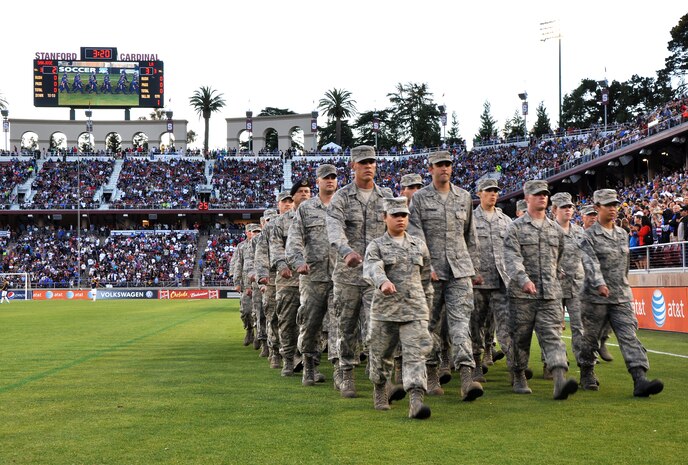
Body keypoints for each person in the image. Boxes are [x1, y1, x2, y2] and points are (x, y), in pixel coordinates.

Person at [407, 150, 483, 401]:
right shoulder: (419, 198)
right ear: (430, 169)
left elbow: (471, 236)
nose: (445, 169)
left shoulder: (463, 197)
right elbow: (416, 236)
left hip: (460, 271)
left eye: (448, 165)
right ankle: (430, 374)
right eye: (440, 165)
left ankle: (466, 377)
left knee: (461, 324)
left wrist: (475, 268)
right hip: (432, 272)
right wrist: (425, 267)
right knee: (430, 325)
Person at [578, 189, 664, 398]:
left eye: (615, 205)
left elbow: (625, 265)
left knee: (629, 336)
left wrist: (625, 285)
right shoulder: (588, 236)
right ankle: (587, 371)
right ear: (597, 208)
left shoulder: (622, 234)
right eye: (608, 205)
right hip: (595, 298)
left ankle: (639, 378)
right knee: (590, 339)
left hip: (621, 297)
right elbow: (589, 263)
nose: (613, 209)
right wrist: (600, 284)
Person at [326, 145, 394, 398]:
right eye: (363, 162)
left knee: (378, 327)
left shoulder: (386, 196)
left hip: (376, 276)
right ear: (352, 165)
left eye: (372, 162)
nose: (368, 166)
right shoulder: (342, 197)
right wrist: (346, 251)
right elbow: (333, 228)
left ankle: (381, 380)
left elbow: (396, 231)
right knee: (346, 327)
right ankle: (345, 372)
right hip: (348, 276)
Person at [503, 180, 578, 400]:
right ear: (527, 199)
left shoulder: (555, 229)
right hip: (522, 296)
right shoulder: (515, 228)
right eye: (537, 194)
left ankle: (559, 379)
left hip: (550, 294)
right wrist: (523, 279)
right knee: (520, 338)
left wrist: (555, 278)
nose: (542, 197)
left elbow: (559, 258)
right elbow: (511, 258)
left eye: (545, 194)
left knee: (553, 337)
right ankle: (519, 375)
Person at [364, 197, 433, 419]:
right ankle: (380, 390)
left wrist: (426, 304)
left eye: (403, 215)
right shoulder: (377, 245)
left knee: (416, 354)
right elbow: (372, 267)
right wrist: (382, 281)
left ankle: (415, 400)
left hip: (415, 309)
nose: (400, 219)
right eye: (395, 215)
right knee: (381, 354)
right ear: (385, 218)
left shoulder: (418, 245)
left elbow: (425, 278)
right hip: (386, 310)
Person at [286, 164, 339, 387]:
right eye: (326, 177)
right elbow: (294, 239)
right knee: (311, 322)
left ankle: (340, 370)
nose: (330, 181)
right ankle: (309, 365)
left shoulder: (342, 205)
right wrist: (298, 262)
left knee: (341, 323)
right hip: (313, 275)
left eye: (333, 177)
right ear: (318, 181)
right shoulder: (306, 209)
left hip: (340, 275)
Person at [471, 179, 513, 382]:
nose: (493, 194)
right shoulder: (469, 220)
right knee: (476, 325)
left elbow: (514, 250)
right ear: (479, 193)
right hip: (478, 282)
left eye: (495, 191)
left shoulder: (505, 220)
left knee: (506, 325)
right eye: (489, 191)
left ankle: (516, 369)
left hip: (501, 281)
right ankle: (477, 365)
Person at [269, 181, 311, 376]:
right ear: (293, 197)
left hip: (312, 278)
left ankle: (310, 364)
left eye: (307, 191)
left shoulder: (318, 216)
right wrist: (282, 265)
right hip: (289, 279)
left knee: (312, 322)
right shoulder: (280, 222)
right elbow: (276, 247)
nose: (304, 194)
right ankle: (288, 359)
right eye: (300, 192)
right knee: (287, 321)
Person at [550, 192, 585, 370]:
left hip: (577, 286)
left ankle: (586, 367)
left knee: (580, 327)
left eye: (570, 206)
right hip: (555, 286)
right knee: (553, 328)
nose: (568, 210)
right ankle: (555, 364)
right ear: (555, 210)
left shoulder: (579, 231)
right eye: (564, 207)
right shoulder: (547, 230)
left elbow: (588, 257)